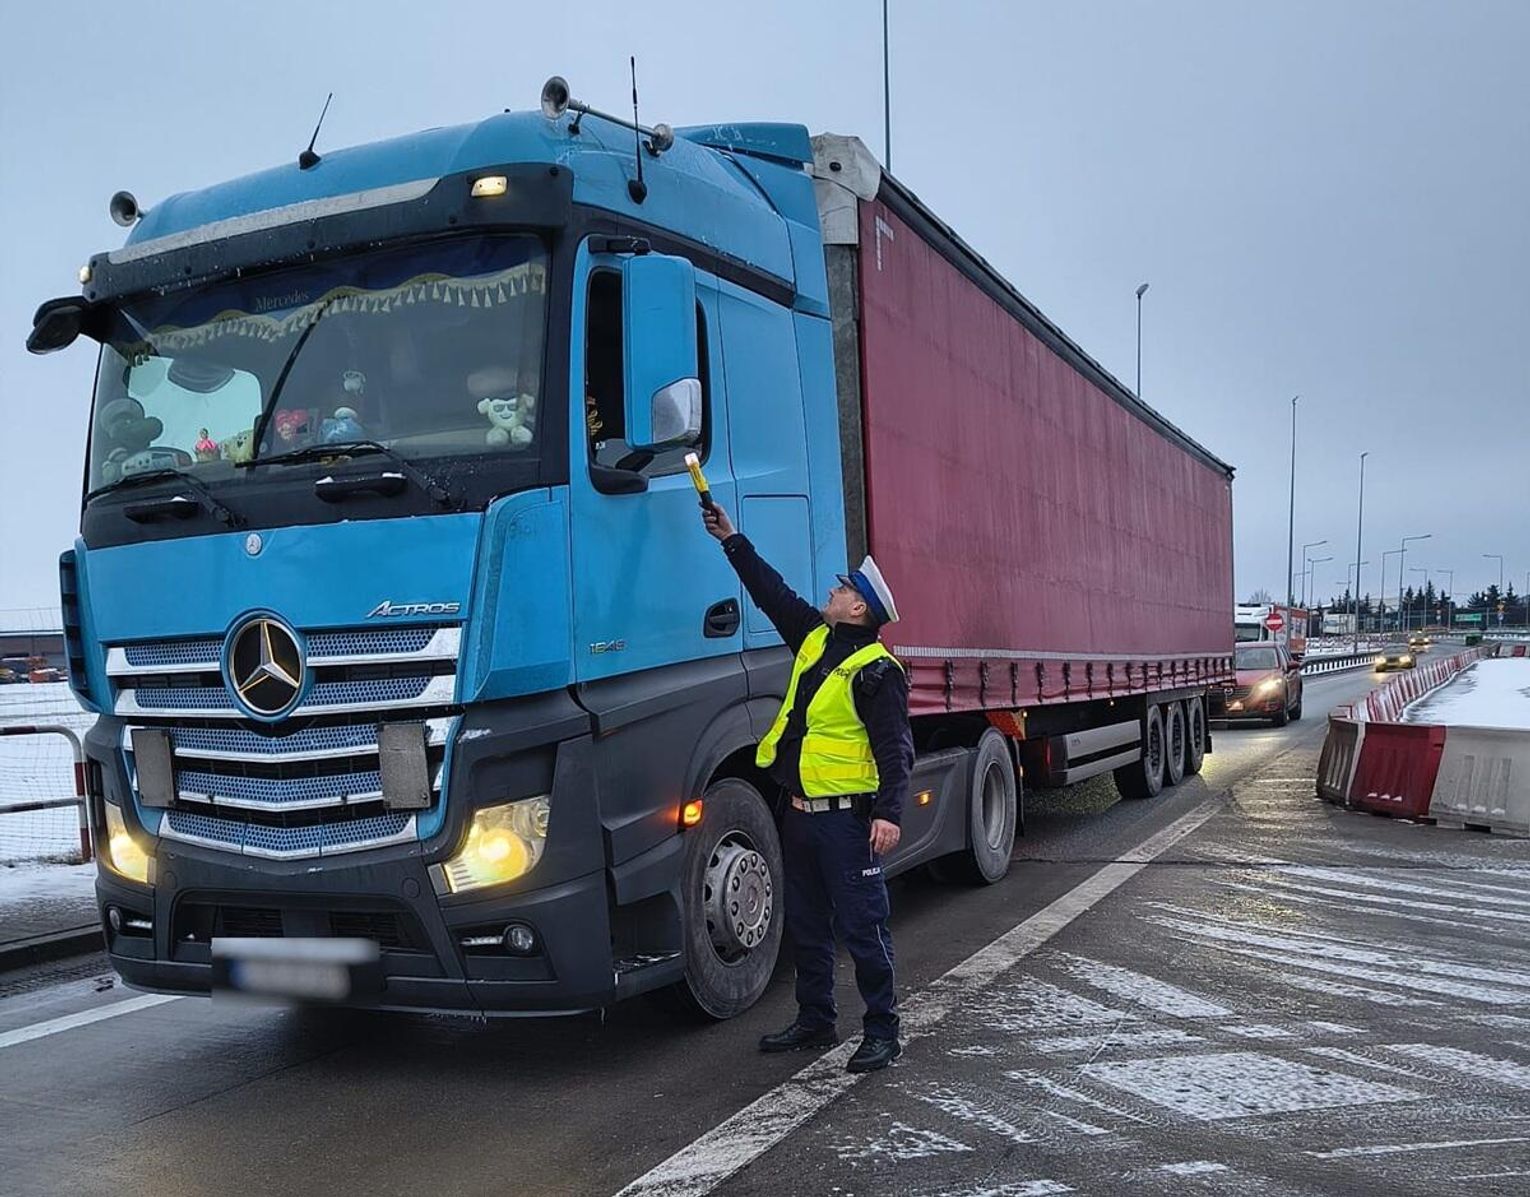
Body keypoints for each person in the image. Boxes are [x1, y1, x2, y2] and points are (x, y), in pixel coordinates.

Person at [701, 500, 913, 1073]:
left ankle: (883, 1030)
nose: (833, 591)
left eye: (842, 589)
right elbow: (771, 593)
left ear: (858, 607)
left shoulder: (878, 671)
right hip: (800, 814)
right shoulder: (816, 640)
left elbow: (896, 749)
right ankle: (816, 1018)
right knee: (807, 923)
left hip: (848, 821)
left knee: (863, 927)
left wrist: (888, 813)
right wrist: (731, 539)